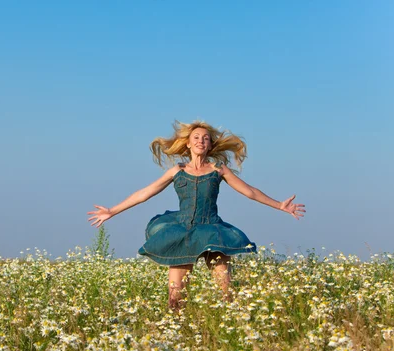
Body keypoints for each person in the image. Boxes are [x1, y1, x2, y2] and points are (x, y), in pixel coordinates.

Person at [88, 120, 305, 310]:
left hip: (212, 231)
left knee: (226, 291)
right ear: (188, 143)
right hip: (182, 232)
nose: (201, 141)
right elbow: (145, 193)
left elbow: (250, 191)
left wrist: (279, 205)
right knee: (175, 297)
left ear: (210, 145)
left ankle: (227, 327)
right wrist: (112, 211)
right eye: (196, 138)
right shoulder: (177, 171)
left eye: (206, 138)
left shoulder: (218, 170)